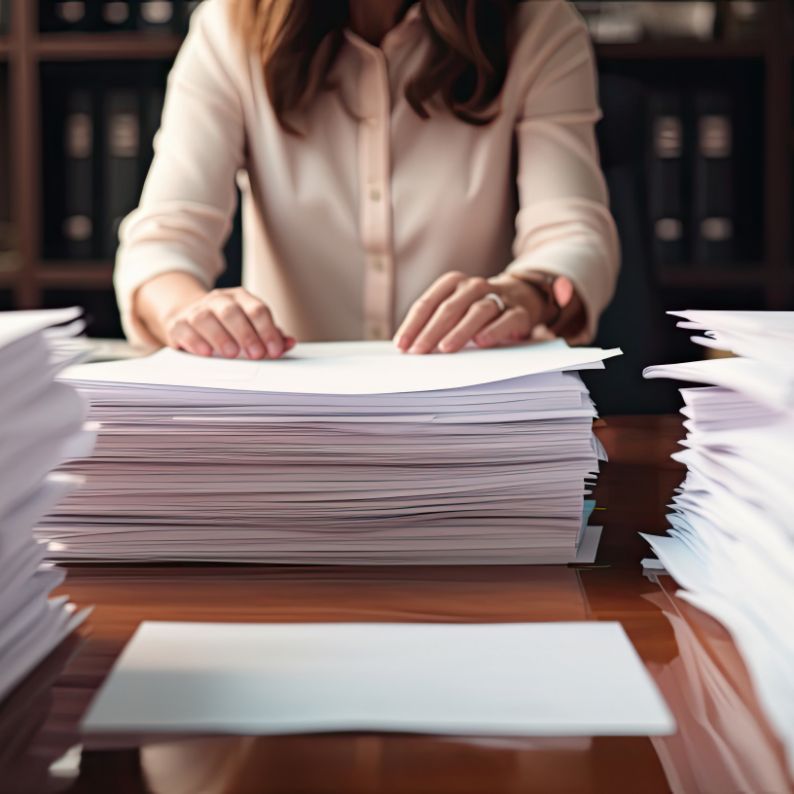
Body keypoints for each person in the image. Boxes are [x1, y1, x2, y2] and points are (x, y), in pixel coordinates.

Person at [115, 0, 619, 360]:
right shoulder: (229, 26)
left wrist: (522, 292)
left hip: (469, 411)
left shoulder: (537, 23)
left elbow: (572, 233)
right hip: (289, 418)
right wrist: (190, 309)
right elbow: (161, 246)